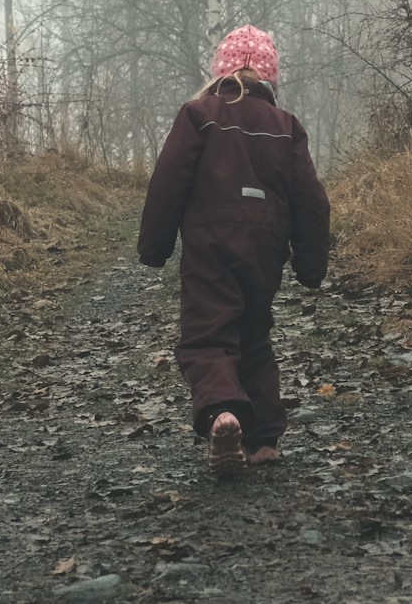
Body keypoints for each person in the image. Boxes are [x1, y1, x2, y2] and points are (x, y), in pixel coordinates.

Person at [137, 25, 331, 478]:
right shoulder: (286, 128)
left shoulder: (198, 114)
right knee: (254, 332)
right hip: (266, 244)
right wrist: (310, 262)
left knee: (207, 334)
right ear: (270, 79)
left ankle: (223, 411)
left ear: (220, 73)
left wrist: (155, 245)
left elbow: (168, 182)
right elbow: (310, 198)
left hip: (210, 238)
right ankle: (263, 440)